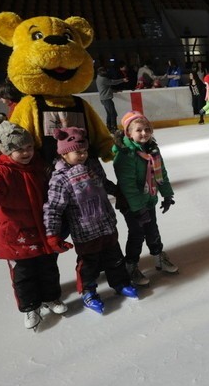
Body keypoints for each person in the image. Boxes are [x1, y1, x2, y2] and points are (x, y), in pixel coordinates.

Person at [0, 114, 68, 331]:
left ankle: (51, 298)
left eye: (28, 147)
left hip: (43, 231)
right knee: (23, 275)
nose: (26, 153)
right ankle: (30, 307)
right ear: (6, 150)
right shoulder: (0, 174)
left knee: (48, 268)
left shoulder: (40, 166)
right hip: (16, 236)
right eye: (19, 149)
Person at [43, 127, 139, 314]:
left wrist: (119, 192)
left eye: (84, 151)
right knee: (88, 264)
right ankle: (88, 292)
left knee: (115, 258)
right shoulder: (60, 179)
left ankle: (120, 282)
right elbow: (53, 208)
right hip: (84, 232)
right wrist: (52, 234)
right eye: (77, 152)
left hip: (106, 225)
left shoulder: (92, 167)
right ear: (64, 154)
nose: (82, 155)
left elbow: (104, 183)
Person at [112, 111, 178, 286]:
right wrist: (138, 209)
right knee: (137, 234)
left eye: (147, 129)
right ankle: (131, 265)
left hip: (148, 200)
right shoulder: (125, 154)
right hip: (131, 204)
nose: (144, 133)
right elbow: (128, 186)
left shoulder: (152, 150)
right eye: (139, 130)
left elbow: (160, 173)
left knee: (152, 231)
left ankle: (159, 258)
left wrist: (167, 194)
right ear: (129, 133)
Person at [96, 66, 128, 131]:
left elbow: (105, 88)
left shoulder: (98, 78)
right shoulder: (103, 79)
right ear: (101, 72)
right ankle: (114, 128)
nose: (106, 73)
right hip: (106, 99)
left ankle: (109, 127)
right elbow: (112, 82)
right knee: (113, 114)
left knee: (109, 114)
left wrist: (115, 91)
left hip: (104, 99)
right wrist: (123, 80)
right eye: (105, 71)